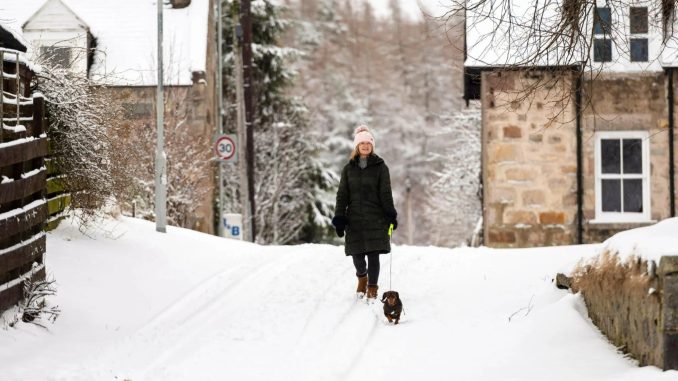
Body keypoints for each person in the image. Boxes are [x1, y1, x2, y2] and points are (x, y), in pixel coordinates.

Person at [332, 125, 398, 299]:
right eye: (362, 143)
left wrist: (390, 214)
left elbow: (385, 193)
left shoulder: (381, 167)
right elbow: (342, 195)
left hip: (375, 218)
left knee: (373, 255)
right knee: (357, 255)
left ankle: (372, 288)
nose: (365, 146)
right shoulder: (348, 169)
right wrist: (339, 217)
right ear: (357, 146)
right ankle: (362, 277)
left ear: (372, 146)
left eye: (368, 143)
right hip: (354, 219)